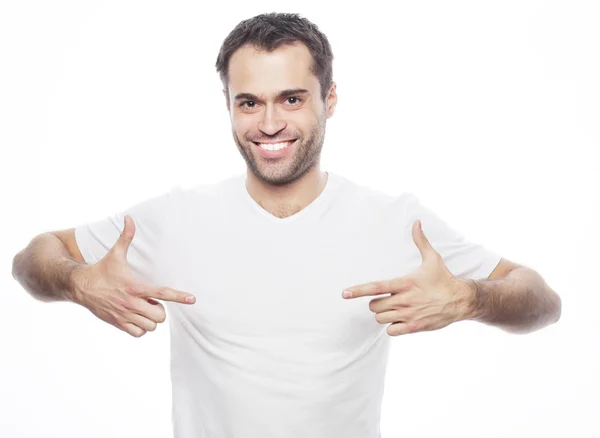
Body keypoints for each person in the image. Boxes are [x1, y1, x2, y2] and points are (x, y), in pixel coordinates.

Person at [12, 12, 561, 438]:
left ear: (330, 99)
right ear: (227, 105)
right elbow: (35, 256)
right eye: (248, 103)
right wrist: (76, 281)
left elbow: (539, 299)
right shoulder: (174, 218)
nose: (269, 123)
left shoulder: (394, 222)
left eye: (291, 99)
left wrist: (469, 298)